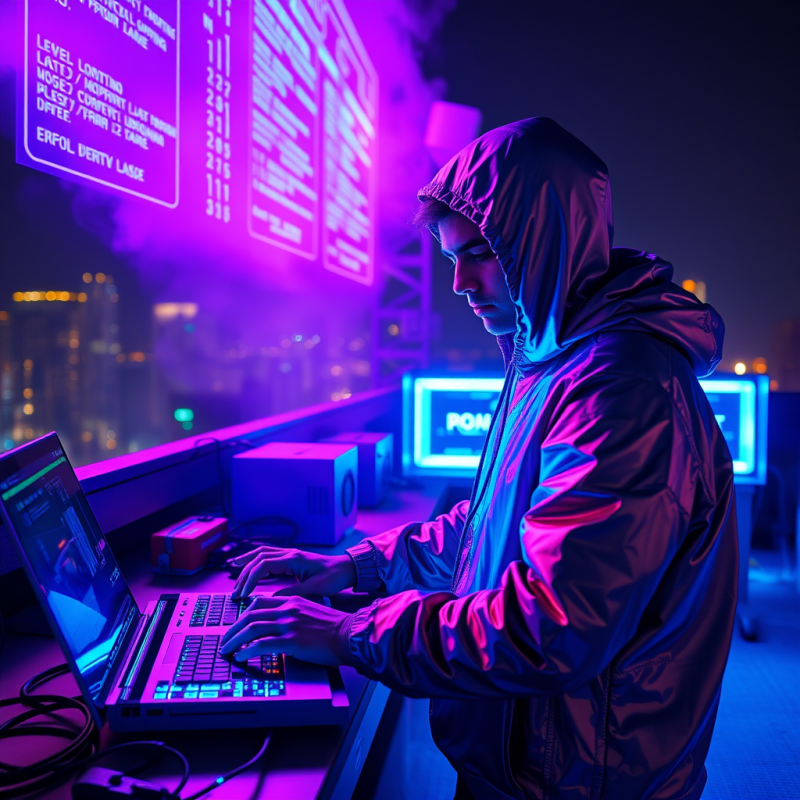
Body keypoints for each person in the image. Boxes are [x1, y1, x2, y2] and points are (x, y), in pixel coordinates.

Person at [220, 117, 738, 800]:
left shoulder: (621, 389)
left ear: (543, 243)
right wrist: (351, 566)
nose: (460, 282)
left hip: (579, 785)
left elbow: (553, 627)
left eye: (480, 254)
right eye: (450, 260)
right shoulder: (557, 364)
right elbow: (494, 527)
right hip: (537, 767)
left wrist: (350, 632)